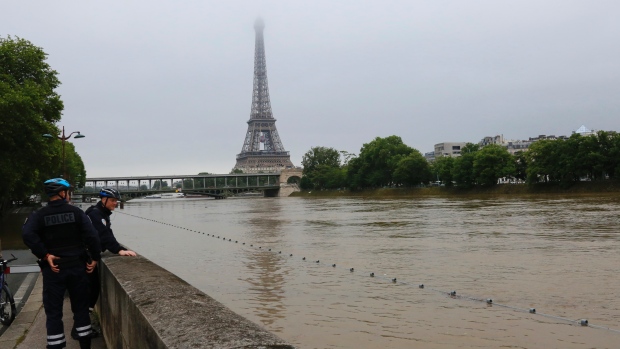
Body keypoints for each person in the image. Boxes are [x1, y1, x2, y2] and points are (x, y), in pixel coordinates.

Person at [22, 178, 101, 349]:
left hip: (54, 270)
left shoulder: (38, 215)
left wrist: (44, 254)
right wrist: (95, 258)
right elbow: (92, 236)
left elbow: (27, 235)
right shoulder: (76, 213)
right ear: (62, 193)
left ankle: (56, 345)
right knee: (81, 309)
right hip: (77, 268)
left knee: (54, 313)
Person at [85, 188, 136, 310]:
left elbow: (108, 233)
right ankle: (82, 325)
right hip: (86, 255)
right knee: (91, 290)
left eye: (116, 200)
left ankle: (84, 324)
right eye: (112, 200)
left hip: (89, 254)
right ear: (103, 199)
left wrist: (120, 248)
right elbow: (103, 235)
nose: (115, 203)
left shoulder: (101, 213)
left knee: (91, 291)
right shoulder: (95, 214)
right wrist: (119, 250)